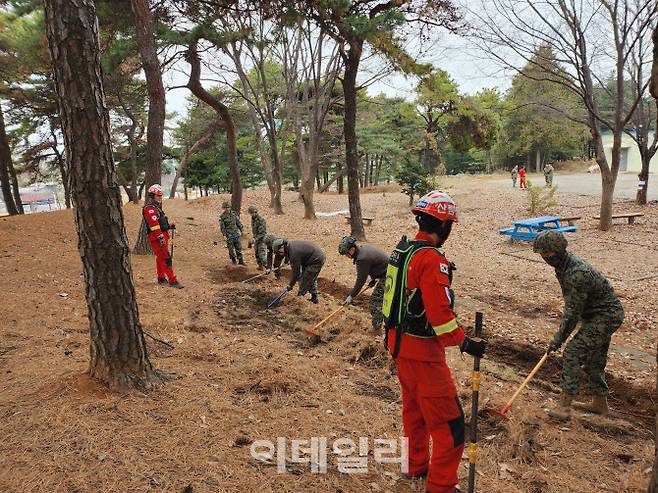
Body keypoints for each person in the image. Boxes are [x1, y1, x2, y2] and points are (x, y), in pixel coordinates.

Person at [382, 191, 486, 493]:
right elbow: (440, 314)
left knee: (414, 414)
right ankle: (440, 486)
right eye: (449, 225)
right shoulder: (431, 259)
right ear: (442, 226)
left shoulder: (401, 251)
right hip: (424, 355)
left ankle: (416, 468)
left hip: (399, 349)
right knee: (450, 426)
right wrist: (464, 342)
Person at [533, 230, 624, 420]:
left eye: (548, 253)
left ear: (559, 250)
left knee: (572, 353)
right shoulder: (563, 264)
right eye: (542, 254)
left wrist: (558, 340)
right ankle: (600, 404)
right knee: (594, 359)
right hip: (595, 314)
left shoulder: (577, 273)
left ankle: (564, 408)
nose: (545, 258)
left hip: (606, 316)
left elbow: (572, 313)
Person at [338, 236, 388, 331]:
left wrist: (351, 296)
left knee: (375, 303)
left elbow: (360, 280)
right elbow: (376, 264)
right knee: (380, 300)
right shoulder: (363, 249)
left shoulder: (362, 259)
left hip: (389, 276)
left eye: (346, 254)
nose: (346, 256)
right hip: (386, 274)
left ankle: (376, 329)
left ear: (352, 249)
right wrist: (373, 279)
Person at [142, 184, 183, 289]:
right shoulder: (149, 209)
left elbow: (160, 224)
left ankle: (161, 278)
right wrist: (160, 238)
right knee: (166, 258)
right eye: (158, 196)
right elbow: (154, 225)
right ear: (152, 196)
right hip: (157, 238)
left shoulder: (156, 208)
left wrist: (169, 226)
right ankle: (173, 281)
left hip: (161, 236)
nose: (160, 198)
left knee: (160, 258)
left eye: (161, 196)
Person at [273, 238, 325, 304]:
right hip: (309, 259)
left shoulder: (293, 253)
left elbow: (296, 273)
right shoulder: (289, 247)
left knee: (306, 279)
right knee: (310, 278)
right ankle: (314, 299)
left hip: (316, 259)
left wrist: (290, 285)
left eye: (279, 253)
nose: (281, 254)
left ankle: (299, 300)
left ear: (281, 247)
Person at [248, 205, 267, 270]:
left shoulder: (261, 220)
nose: (252, 214)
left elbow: (262, 233)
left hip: (262, 240)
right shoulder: (253, 219)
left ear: (256, 212)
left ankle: (268, 268)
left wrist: (255, 239)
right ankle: (260, 266)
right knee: (257, 254)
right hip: (256, 239)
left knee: (262, 255)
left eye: (253, 213)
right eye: (251, 213)